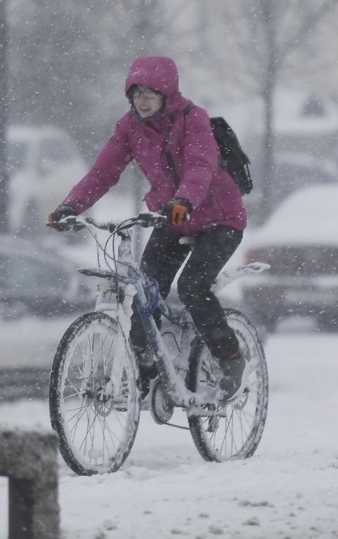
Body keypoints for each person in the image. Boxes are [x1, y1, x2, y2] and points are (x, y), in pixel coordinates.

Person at [47, 56, 248, 399]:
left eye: (150, 93)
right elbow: (103, 172)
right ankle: (145, 367)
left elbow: (201, 165)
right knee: (143, 290)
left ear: (167, 94)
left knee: (193, 286)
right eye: (136, 93)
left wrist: (184, 199)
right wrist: (71, 206)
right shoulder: (130, 127)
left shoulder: (193, 118)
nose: (142, 100)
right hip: (171, 218)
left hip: (219, 218)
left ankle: (229, 356)